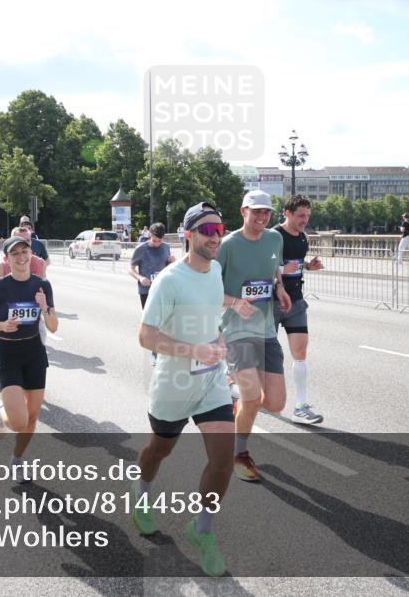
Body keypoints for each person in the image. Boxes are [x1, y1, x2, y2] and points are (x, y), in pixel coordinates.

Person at [132, 201, 232, 577]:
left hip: (211, 382)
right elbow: (145, 336)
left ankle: (201, 530)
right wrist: (194, 350)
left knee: (223, 462)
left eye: (220, 230)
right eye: (207, 230)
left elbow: (212, 316)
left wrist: (218, 343)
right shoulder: (169, 279)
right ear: (188, 235)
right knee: (159, 449)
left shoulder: (217, 269)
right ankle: (142, 491)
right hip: (173, 384)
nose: (215, 236)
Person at [217, 190, 291, 483]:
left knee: (274, 403)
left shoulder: (275, 239)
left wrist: (281, 288)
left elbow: (275, 271)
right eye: (256, 211)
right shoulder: (227, 245)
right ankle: (238, 454)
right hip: (235, 330)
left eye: (266, 212)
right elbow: (209, 289)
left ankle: (233, 390)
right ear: (243, 211)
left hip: (266, 329)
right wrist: (235, 302)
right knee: (252, 397)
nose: (262, 217)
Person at [0, 236, 57, 481]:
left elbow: (53, 327)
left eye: (25, 252)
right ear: (7, 259)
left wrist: (44, 307)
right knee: (18, 422)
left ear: (31, 254)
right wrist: (1, 325)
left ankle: (17, 459)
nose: (21, 258)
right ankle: (0, 410)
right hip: (8, 354)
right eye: (15, 254)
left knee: (32, 417)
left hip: (34, 353)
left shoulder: (42, 285)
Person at [273, 195, 326, 425]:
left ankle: (300, 406)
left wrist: (308, 266)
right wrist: (284, 269)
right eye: (300, 216)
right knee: (262, 354)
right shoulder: (274, 236)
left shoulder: (304, 238)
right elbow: (264, 264)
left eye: (307, 216)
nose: (305, 220)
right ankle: (238, 386)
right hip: (271, 302)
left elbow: (296, 262)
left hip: (295, 301)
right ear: (288, 213)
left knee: (300, 352)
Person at [129, 222, 175, 365]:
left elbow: (170, 268)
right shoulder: (141, 249)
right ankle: (154, 352)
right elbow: (130, 269)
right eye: (154, 240)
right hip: (146, 291)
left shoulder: (166, 248)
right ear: (149, 235)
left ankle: (160, 351)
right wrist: (140, 278)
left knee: (164, 321)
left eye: (160, 241)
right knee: (152, 323)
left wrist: (173, 262)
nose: (157, 243)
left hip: (162, 290)